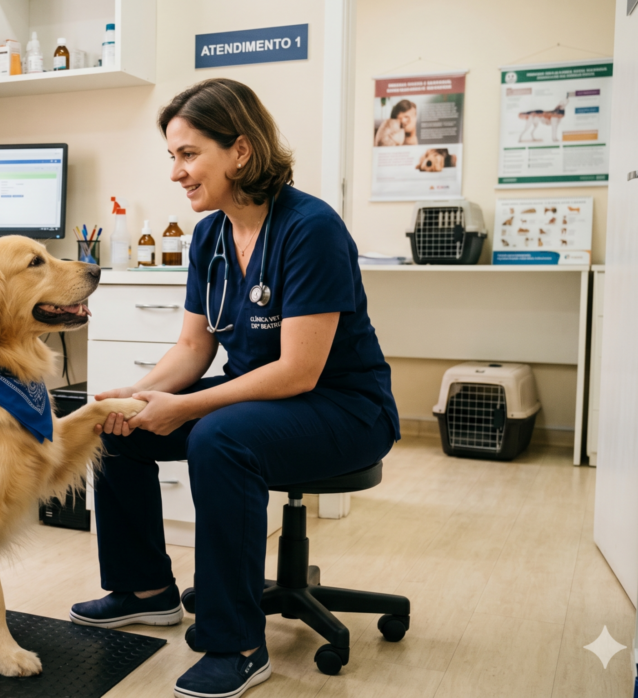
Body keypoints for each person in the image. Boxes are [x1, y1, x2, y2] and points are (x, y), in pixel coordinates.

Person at [69, 79, 399, 698]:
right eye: (173, 156)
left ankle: (238, 644)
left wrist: (186, 408)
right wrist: (138, 398)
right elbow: (195, 349)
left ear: (240, 151)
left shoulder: (311, 228)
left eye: (188, 154)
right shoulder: (211, 237)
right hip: (259, 397)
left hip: (344, 407)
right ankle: (146, 591)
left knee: (220, 437)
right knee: (117, 425)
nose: (176, 172)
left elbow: (300, 371)